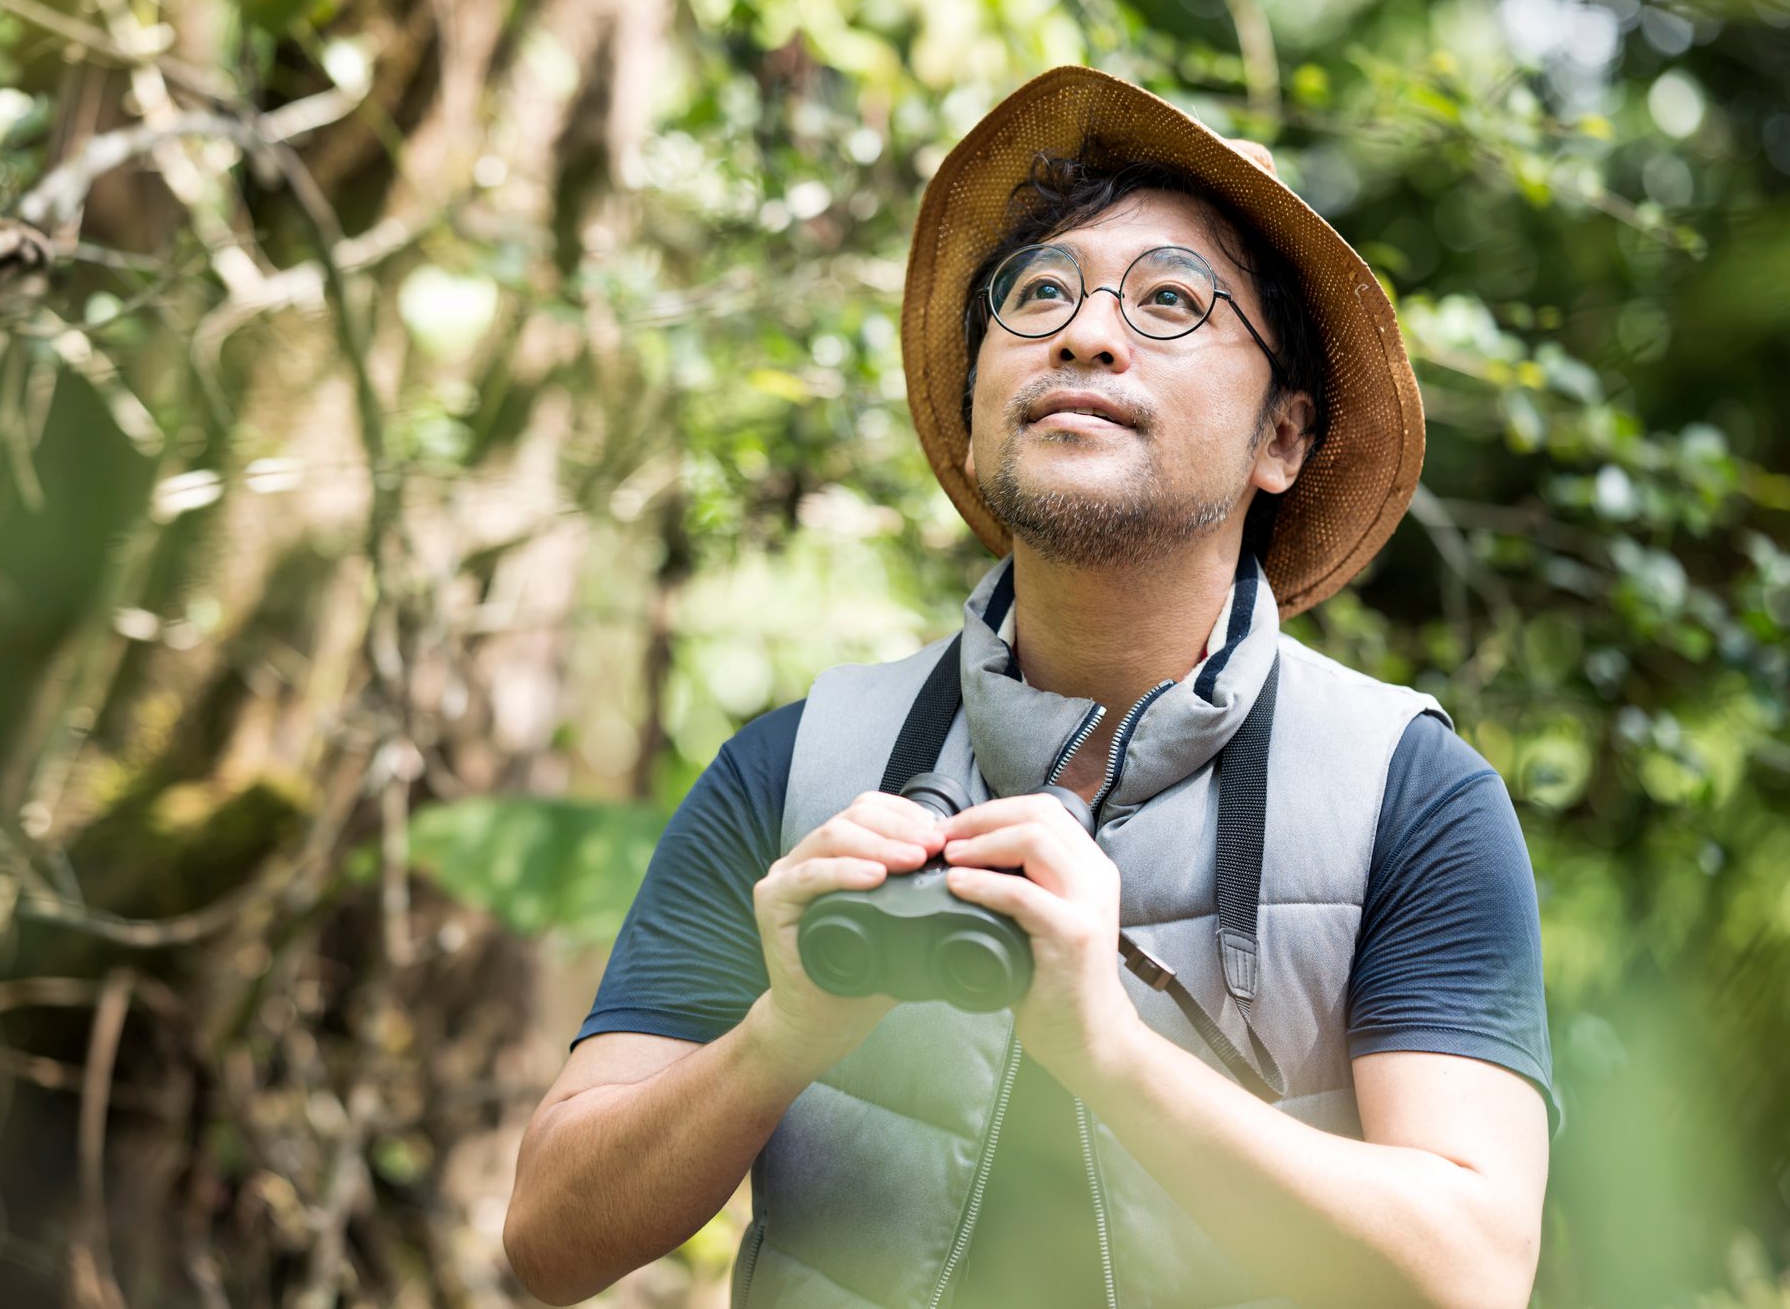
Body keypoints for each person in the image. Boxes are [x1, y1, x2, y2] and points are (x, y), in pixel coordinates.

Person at [503, 66, 1561, 1309]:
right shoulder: (798, 768)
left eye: (1172, 299)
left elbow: (1474, 1272)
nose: (1087, 329)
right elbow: (548, 1240)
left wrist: (1108, 1049)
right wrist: (780, 1036)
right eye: (1040, 291)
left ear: (1284, 437)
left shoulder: (1409, 795)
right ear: (972, 407)